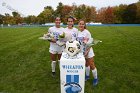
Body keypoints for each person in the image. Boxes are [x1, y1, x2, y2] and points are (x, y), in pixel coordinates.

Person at [77, 19, 98, 86]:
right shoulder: (78, 32)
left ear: (84, 25)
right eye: (80, 24)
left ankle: (96, 79)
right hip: (82, 52)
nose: (81, 25)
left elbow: (90, 43)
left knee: (91, 65)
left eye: (82, 24)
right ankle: (87, 76)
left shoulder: (87, 32)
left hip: (88, 51)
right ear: (78, 24)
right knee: (86, 64)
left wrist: (87, 51)